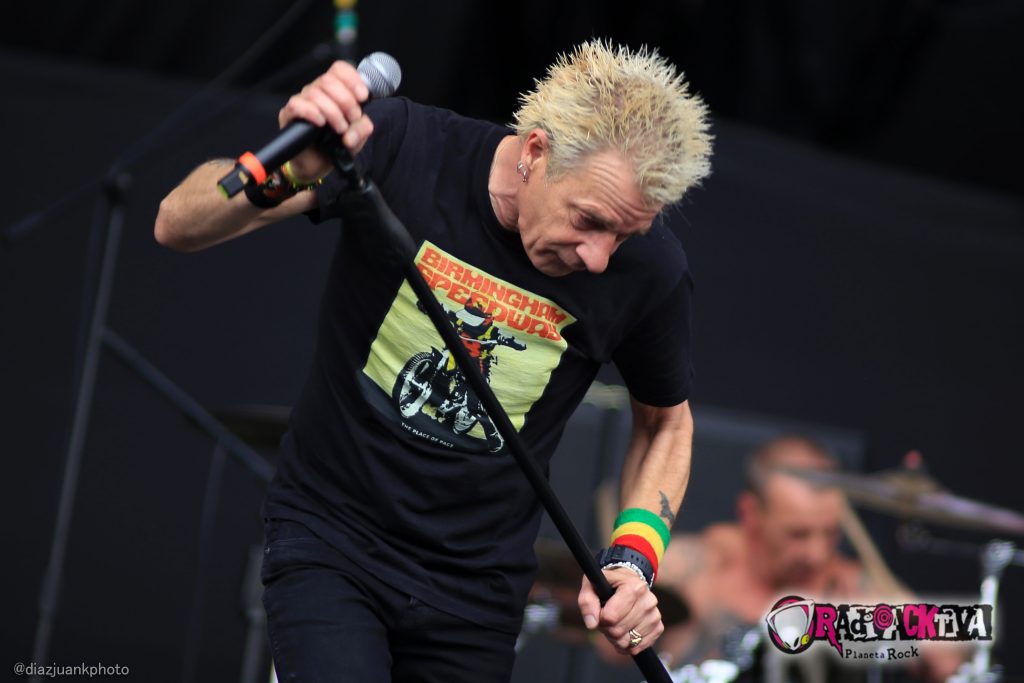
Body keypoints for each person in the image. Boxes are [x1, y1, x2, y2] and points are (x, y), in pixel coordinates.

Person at [154, 40, 712, 682]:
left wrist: (635, 557)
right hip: (333, 542)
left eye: (625, 234)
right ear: (535, 152)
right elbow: (177, 223)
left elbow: (667, 423)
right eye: (587, 220)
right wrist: (293, 170)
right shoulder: (405, 145)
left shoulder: (651, 271)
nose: (598, 257)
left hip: (478, 593)